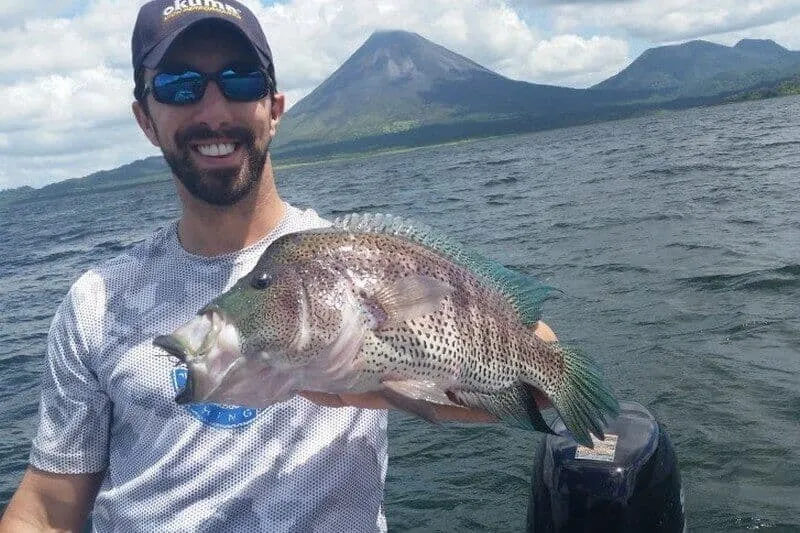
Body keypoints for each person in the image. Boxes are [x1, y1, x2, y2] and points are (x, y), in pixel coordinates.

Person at [0, 1, 557, 531]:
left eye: (240, 80)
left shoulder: (358, 260)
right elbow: (47, 511)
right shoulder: (97, 303)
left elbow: (534, 376)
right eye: (179, 85)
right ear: (146, 118)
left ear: (274, 109)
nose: (214, 111)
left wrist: (425, 381)